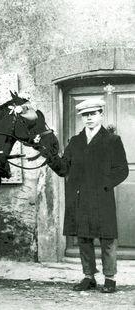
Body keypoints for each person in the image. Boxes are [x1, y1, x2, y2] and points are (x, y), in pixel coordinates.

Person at [44, 98, 128, 293]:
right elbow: (64, 169)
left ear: (101, 115)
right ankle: (89, 277)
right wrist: (51, 157)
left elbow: (122, 169)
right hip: (80, 198)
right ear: (82, 118)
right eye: (85, 115)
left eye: (93, 114)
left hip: (102, 197)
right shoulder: (75, 141)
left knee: (107, 239)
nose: (89, 118)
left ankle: (110, 279)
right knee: (84, 238)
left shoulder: (112, 140)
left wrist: (104, 185)